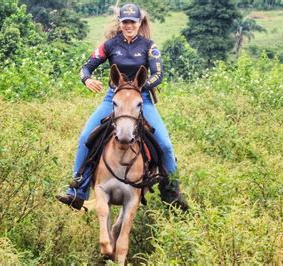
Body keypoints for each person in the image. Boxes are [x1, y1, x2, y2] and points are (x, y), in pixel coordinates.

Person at [56, 3, 188, 211]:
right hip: (113, 99)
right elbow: (86, 67)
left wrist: (137, 88)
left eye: (132, 22)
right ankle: (77, 192)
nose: (128, 25)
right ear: (120, 23)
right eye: (125, 22)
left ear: (139, 23)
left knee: (165, 145)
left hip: (140, 99)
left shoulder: (149, 46)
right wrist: (87, 79)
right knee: (84, 138)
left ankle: (172, 193)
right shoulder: (109, 45)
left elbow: (158, 75)